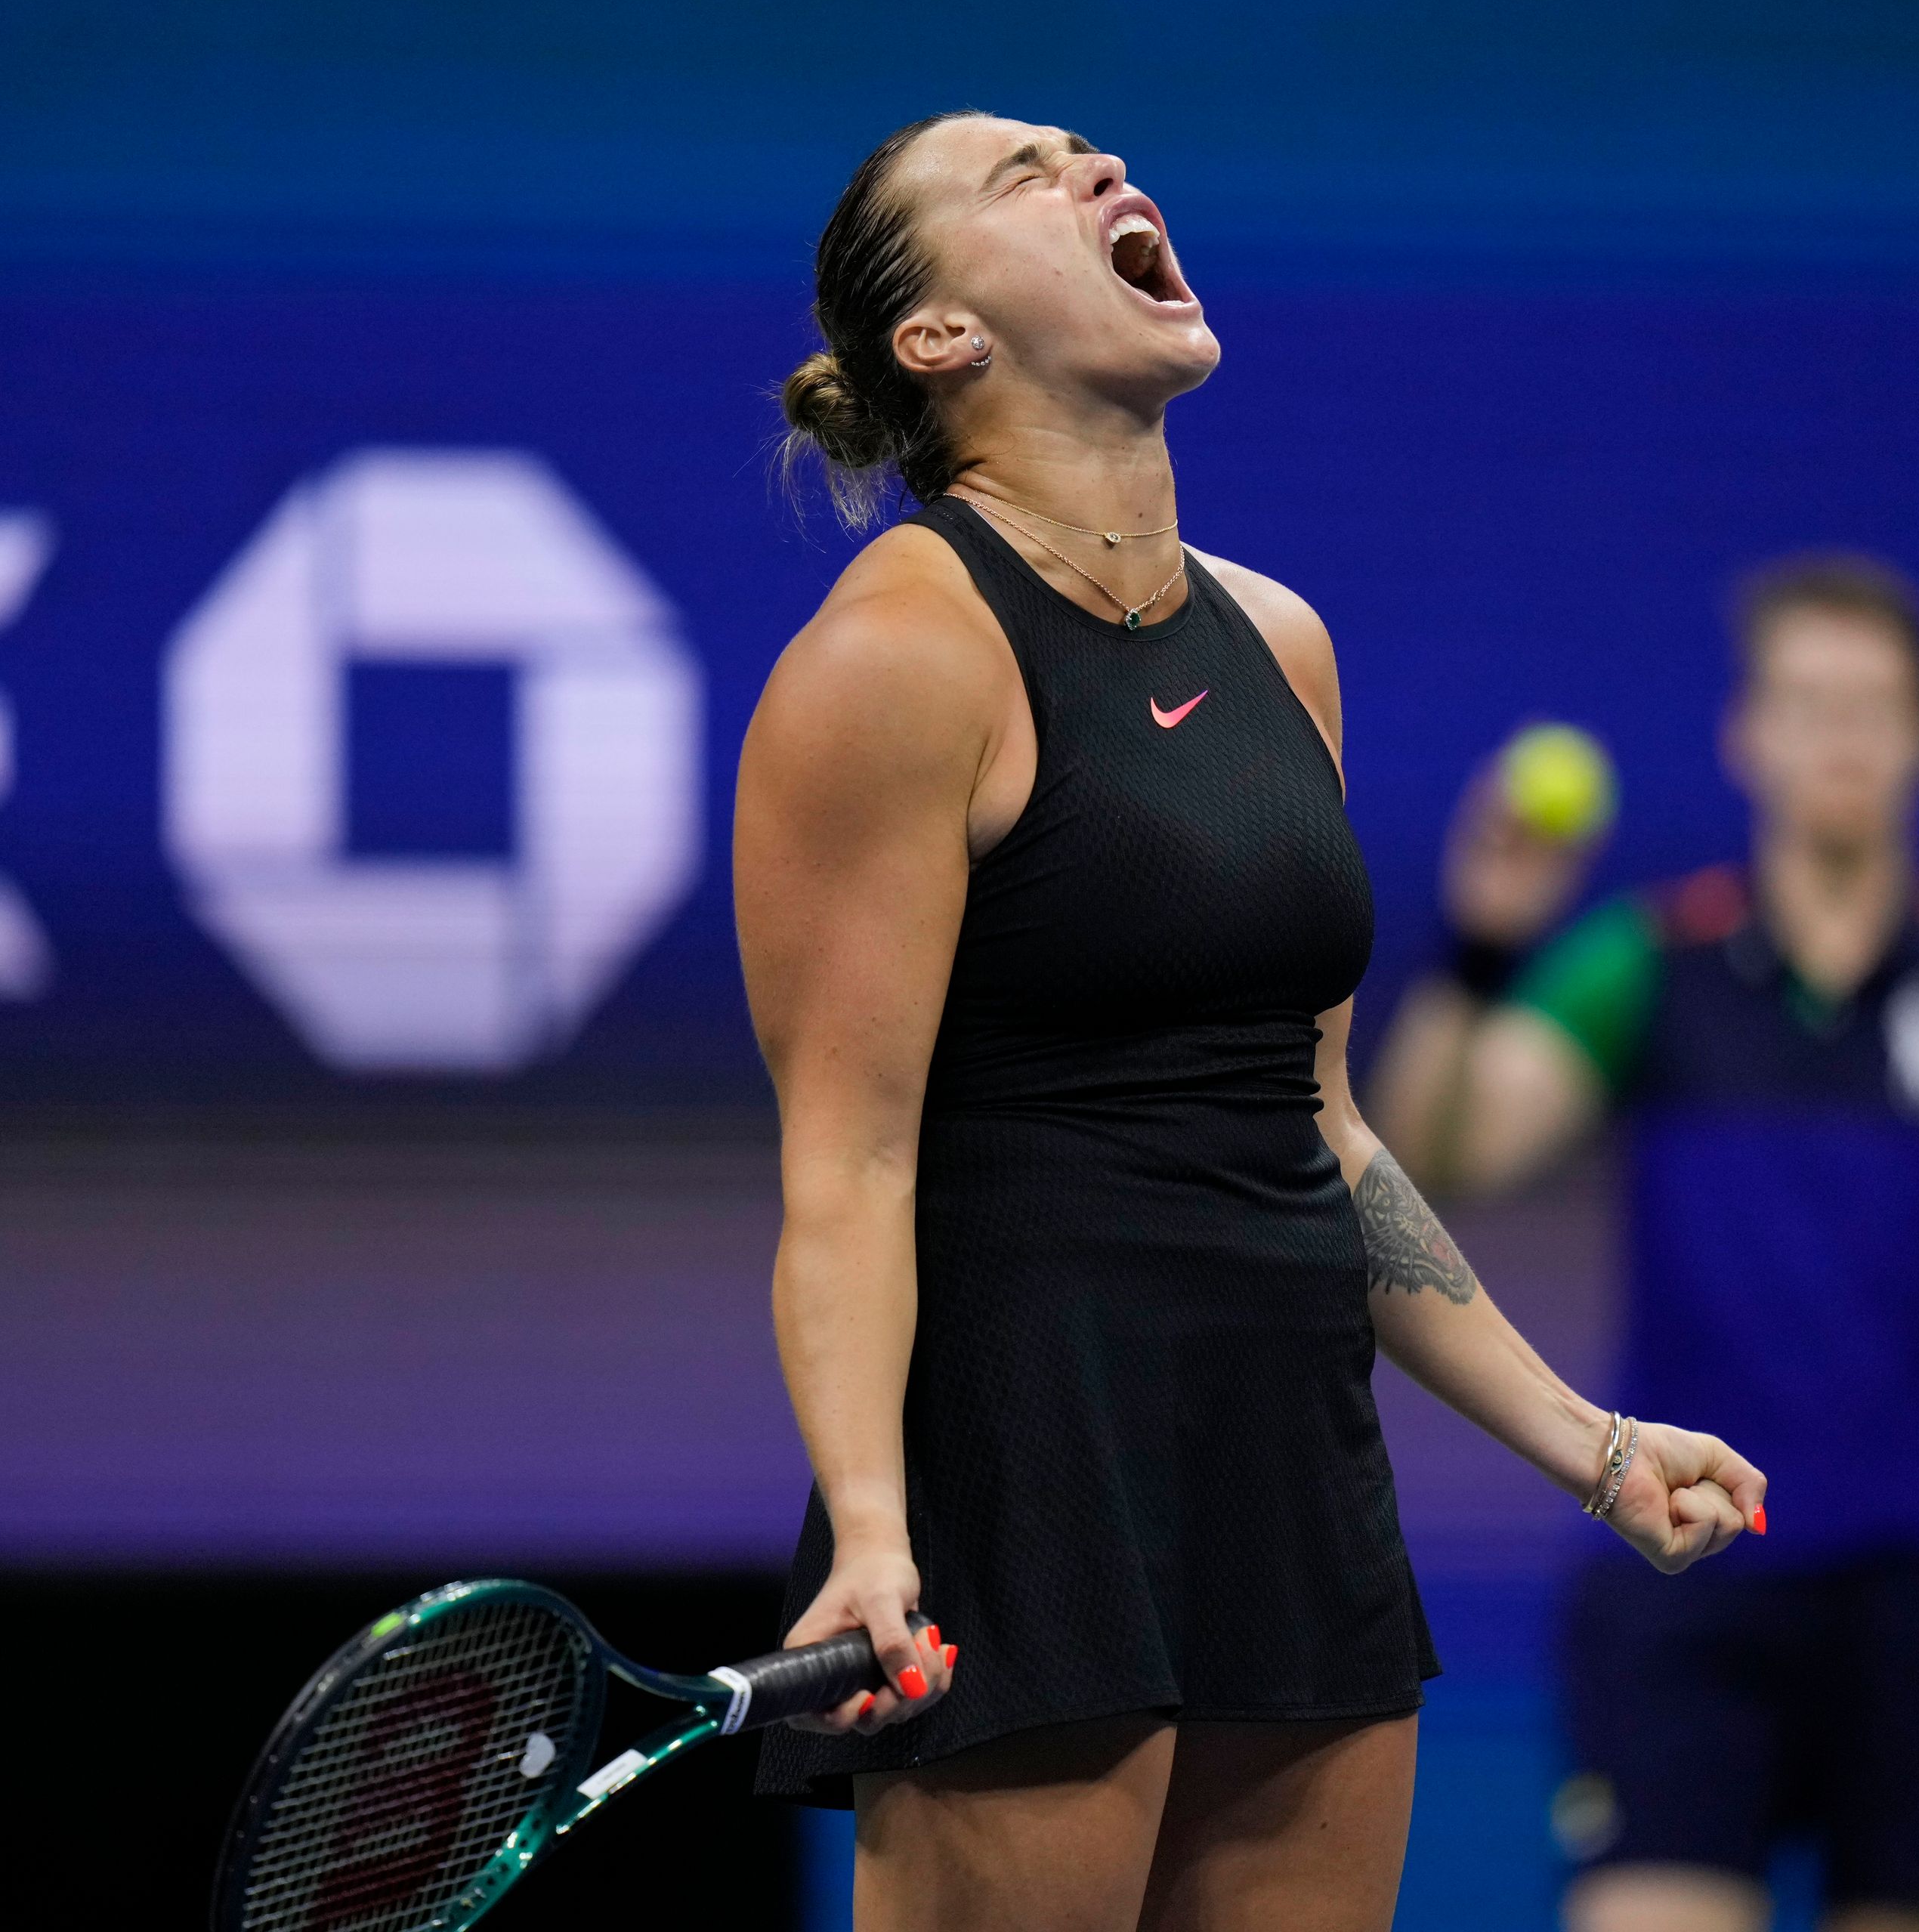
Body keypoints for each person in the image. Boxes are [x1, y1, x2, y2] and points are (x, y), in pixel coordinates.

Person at [733, 112, 1768, 1932]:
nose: (1093, 160)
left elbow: (1325, 1132)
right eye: (1022, 173)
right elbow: (849, 1158)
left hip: (1290, 1467)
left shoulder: (1283, 643)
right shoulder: (893, 658)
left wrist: (1586, 1443)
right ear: (940, 338)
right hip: (1025, 1474)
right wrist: (877, 1527)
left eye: (1085, 145)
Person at [1367, 554, 1919, 1932]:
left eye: (1873, 705)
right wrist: (1483, 948)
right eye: (1808, 701)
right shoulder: (1645, 963)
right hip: (1686, 1568)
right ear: (1748, 736)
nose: (1841, 735)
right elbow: (1444, 1155)